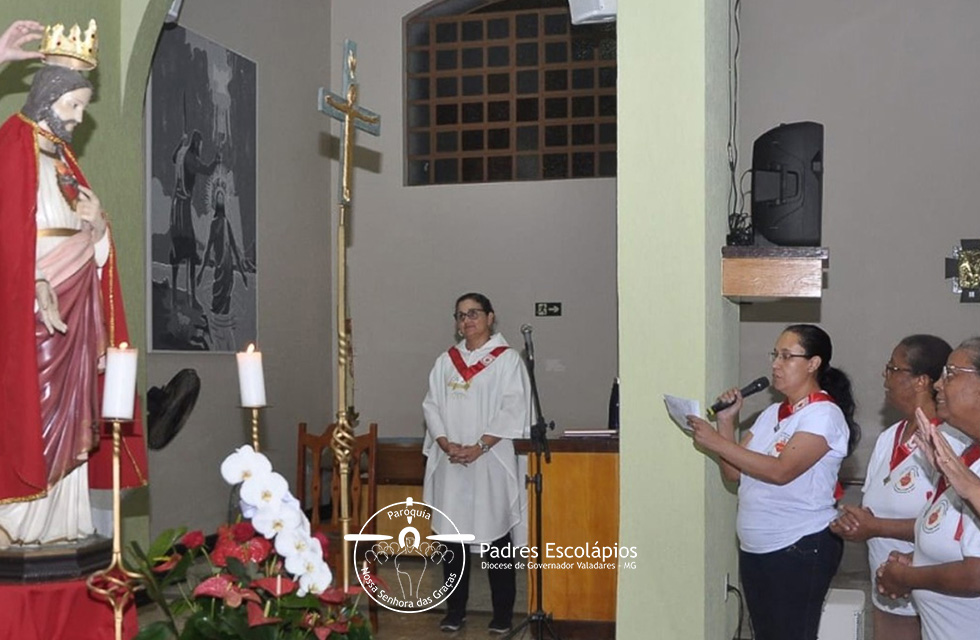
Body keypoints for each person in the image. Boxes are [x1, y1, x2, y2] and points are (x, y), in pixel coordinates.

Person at [0, 54, 147, 545]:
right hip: (36, 302)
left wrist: (99, 225)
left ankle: (64, 523)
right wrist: (34, 280)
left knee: (75, 406)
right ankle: (20, 522)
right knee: (38, 404)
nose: (80, 117)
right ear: (47, 97)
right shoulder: (12, 144)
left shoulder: (66, 161)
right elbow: (8, 234)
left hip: (78, 298)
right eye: (74, 104)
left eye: (82, 106)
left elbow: (97, 245)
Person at [686, 324, 859, 640]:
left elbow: (782, 472)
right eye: (775, 355)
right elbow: (734, 472)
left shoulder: (823, 415)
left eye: (787, 356)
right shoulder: (771, 415)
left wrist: (715, 442)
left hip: (799, 544)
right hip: (757, 545)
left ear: (813, 363)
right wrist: (726, 423)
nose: (775, 364)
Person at [830, 335, 965, 640]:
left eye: (893, 368)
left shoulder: (952, 442)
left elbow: (945, 524)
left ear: (921, 381)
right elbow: (873, 508)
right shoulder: (890, 436)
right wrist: (854, 522)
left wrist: (875, 527)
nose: (884, 375)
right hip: (887, 582)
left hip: (935, 587)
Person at [423, 293, 530, 634]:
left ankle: (501, 613)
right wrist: (444, 442)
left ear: (490, 317)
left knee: (496, 538)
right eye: (460, 315)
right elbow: (431, 405)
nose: (467, 320)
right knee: (452, 540)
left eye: (474, 313)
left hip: (490, 461)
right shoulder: (446, 361)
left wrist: (481, 446)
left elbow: (514, 408)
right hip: (452, 460)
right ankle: (455, 610)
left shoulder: (507, 360)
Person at [877, 338, 980, 639]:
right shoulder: (965, 458)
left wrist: (910, 576)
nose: (937, 385)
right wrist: (920, 560)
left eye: (951, 374)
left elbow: (976, 574)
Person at [169, 129, 220, 309]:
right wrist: (216, 161)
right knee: (188, 246)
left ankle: (181, 294)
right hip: (182, 207)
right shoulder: (190, 158)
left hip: (176, 205)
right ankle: (189, 295)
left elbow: (174, 157)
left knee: (181, 244)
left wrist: (180, 142)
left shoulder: (182, 152)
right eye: (200, 145)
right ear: (197, 143)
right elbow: (205, 169)